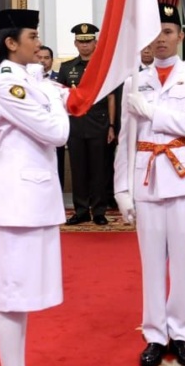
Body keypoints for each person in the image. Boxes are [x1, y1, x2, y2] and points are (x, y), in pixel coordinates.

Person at [114, 3, 185, 366]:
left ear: (181, 36)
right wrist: (122, 188)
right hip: (147, 178)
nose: (161, 39)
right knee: (151, 262)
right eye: (155, 33)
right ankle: (155, 333)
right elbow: (125, 139)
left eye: (168, 32)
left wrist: (151, 111)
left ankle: (181, 332)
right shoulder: (134, 81)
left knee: (183, 261)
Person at [0, 9, 70, 366]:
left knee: (22, 294)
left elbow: (54, 97)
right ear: (11, 43)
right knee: (9, 294)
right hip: (18, 201)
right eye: (32, 36)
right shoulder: (6, 83)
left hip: (34, 198)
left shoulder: (28, 78)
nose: (39, 42)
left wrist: (51, 95)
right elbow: (56, 132)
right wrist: (57, 105)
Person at [58, 23, 116, 226]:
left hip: (99, 123)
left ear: (95, 42)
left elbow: (111, 97)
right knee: (78, 169)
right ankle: (81, 210)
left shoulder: (103, 67)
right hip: (75, 124)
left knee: (99, 170)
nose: (85, 45)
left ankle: (99, 210)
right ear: (75, 43)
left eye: (88, 41)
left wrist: (111, 126)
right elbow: (62, 98)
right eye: (81, 42)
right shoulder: (67, 68)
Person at [37, 45, 66, 190]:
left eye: (46, 58)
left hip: (54, 126)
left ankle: (57, 191)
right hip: (36, 128)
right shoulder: (29, 80)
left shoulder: (59, 77)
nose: (42, 61)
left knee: (57, 163)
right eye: (39, 57)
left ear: (52, 60)